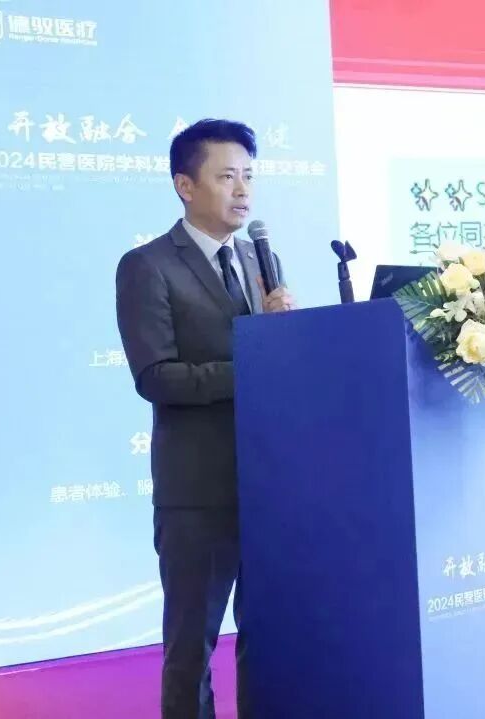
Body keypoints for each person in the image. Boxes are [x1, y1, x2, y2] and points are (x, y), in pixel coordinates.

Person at [115, 118, 295, 719]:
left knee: (271, 637)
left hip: (268, 483)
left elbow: (282, 364)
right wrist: (256, 362)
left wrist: (289, 337)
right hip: (197, 491)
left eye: (249, 176)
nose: (243, 190)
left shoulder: (261, 260)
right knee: (191, 648)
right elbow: (156, 376)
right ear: (185, 186)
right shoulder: (147, 266)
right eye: (226, 177)